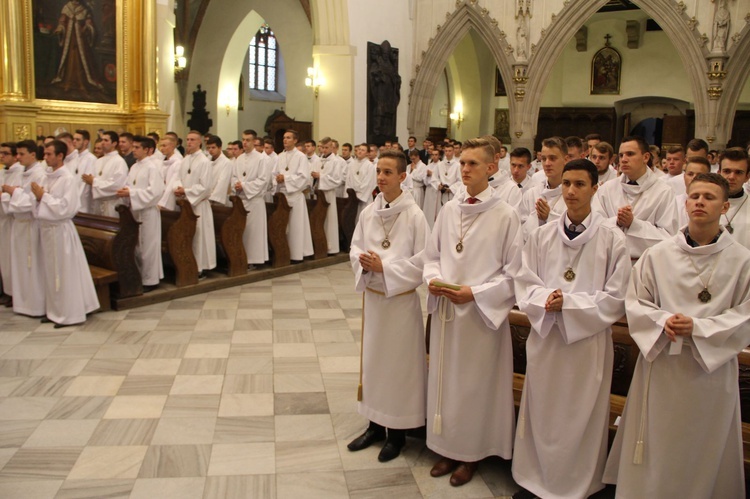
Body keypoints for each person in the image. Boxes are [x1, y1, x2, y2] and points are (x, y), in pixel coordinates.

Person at [603, 173, 750, 498]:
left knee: (701, 445)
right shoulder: (659, 254)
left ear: (725, 206)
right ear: (685, 203)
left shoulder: (742, 260)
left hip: (709, 373)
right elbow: (636, 302)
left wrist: (698, 328)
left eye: (709, 197)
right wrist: (662, 321)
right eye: (694, 196)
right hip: (662, 369)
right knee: (657, 441)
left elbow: (746, 316)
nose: (699, 202)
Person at [512, 159, 629, 499]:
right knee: (542, 410)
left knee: (581, 414)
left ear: (595, 188)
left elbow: (617, 296)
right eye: (566, 184)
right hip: (547, 339)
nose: (571, 191)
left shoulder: (612, 240)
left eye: (580, 184)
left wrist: (570, 304)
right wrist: (548, 298)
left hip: (586, 345)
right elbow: (524, 282)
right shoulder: (540, 235)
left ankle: (577, 485)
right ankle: (536, 480)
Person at [423, 138, 523, 487]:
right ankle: (447, 446)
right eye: (462, 163)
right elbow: (432, 255)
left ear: (492, 168)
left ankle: (471, 454)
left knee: (473, 387)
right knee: (447, 384)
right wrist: (434, 279)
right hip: (449, 314)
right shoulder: (450, 209)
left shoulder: (505, 215)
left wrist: (475, 294)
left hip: (480, 317)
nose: (465, 169)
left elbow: (514, 275)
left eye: (473, 164)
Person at [348, 149, 429, 463]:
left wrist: (387, 269)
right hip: (375, 301)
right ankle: (373, 425)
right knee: (374, 363)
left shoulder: (414, 215)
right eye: (378, 171)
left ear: (402, 176)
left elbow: (423, 262)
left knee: (398, 367)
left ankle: (396, 434)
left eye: (387, 172)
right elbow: (355, 247)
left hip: (400, 302)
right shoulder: (369, 212)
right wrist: (364, 264)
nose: (380, 177)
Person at [33, 140, 99, 327]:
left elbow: (67, 208)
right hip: (47, 230)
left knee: (63, 273)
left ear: (60, 156)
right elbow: (38, 203)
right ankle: (54, 310)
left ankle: (69, 314)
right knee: (50, 271)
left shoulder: (68, 179)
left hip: (60, 231)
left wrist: (42, 197)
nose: (45, 158)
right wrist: (38, 199)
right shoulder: (47, 177)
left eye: (49, 154)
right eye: (44, 154)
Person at [594, 136, 678, 260]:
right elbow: (594, 226)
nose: (624, 160)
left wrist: (633, 224)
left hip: (645, 264)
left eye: (630, 154)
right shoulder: (607, 189)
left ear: (646, 157)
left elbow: (669, 238)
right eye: (621, 155)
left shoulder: (663, 192)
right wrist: (616, 221)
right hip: (609, 262)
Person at [1, 140, 47, 318]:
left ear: (33, 154)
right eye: (17, 154)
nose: (18, 157)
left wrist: (13, 193)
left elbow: (32, 202)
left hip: (30, 224)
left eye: (21, 154)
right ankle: (21, 301)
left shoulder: (39, 174)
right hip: (17, 224)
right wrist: (13, 193)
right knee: (19, 264)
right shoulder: (23, 172)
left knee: (31, 265)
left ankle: (34, 304)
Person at [116, 136, 164, 290]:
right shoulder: (134, 167)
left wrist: (131, 193)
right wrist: (126, 192)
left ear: (148, 150)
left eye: (137, 147)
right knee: (137, 246)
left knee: (148, 246)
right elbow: (130, 185)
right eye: (134, 147)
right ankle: (139, 277)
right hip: (136, 211)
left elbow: (155, 192)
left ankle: (151, 280)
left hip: (148, 212)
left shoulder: (152, 167)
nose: (134, 150)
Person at [272, 129, 314, 261]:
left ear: (295, 140)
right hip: (282, 195)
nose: (285, 140)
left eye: (288, 138)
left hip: (294, 195)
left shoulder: (301, 156)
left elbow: (303, 177)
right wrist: (277, 179)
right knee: (283, 226)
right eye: (284, 137)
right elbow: (273, 174)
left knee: (295, 226)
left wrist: (285, 178)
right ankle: (283, 253)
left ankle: (296, 254)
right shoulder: (280, 156)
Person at [519, 137, 568, 241]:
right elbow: (520, 228)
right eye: (544, 159)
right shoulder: (532, 193)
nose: (547, 163)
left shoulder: (571, 194)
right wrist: (535, 218)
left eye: (553, 158)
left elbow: (577, 228)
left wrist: (549, 217)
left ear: (566, 160)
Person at [233, 130, 270, 269]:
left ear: (254, 142)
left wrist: (243, 185)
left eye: (248, 140)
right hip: (241, 200)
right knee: (243, 230)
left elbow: (263, 181)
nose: (244, 142)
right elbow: (234, 176)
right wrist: (235, 184)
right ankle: (242, 257)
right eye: (243, 139)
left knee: (253, 231)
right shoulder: (239, 158)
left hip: (254, 201)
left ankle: (254, 259)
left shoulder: (261, 159)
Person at [85, 130, 128, 217]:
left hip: (112, 204)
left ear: (114, 143)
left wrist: (94, 182)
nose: (102, 143)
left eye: (106, 140)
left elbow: (117, 185)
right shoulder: (98, 161)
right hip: (98, 203)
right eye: (102, 140)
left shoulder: (119, 161)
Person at [0, 142, 22, 306]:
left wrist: (5, 195)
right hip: (3, 221)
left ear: (15, 156)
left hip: (13, 221)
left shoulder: (20, 172)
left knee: (13, 258)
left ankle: (15, 293)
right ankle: (7, 291)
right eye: (0, 153)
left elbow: (18, 196)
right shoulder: (2, 172)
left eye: (5, 153)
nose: (1, 156)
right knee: (4, 259)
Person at [315, 137, 345, 255]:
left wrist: (320, 177)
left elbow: (337, 180)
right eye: (322, 147)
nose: (324, 150)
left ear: (332, 147)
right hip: (319, 193)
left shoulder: (336, 161)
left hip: (329, 194)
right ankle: (319, 244)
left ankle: (330, 246)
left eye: (326, 147)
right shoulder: (319, 160)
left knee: (329, 219)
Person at [718, 147, 750, 249]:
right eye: (727, 171)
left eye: (738, 172)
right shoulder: (706, 204)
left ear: (747, 177)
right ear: (719, 173)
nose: (731, 177)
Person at [675, 156, 711, 228]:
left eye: (700, 175)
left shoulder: (713, 204)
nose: (694, 178)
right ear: (684, 177)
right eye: (690, 174)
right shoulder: (673, 203)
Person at [345, 143, 377, 221]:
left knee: (363, 220)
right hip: (352, 199)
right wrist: (350, 194)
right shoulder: (352, 164)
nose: (359, 151)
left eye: (363, 150)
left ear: (367, 153)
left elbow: (369, 183)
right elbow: (348, 181)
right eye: (359, 149)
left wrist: (358, 196)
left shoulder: (370, 166)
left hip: (363, 199)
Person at [73, 129, 96, 213]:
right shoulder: (74, 157)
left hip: (83, 203)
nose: (74, 141)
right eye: (74, 139)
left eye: (78, 140)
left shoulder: (91, 159)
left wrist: (78, 202)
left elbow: (86, 183)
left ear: (86, 142)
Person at [207, 135, 233, 207]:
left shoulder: (226, 163)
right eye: (208, 148)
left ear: (220, 148)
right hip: (206, 199)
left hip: (218, 201)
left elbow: (222, 182)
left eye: (213, 147)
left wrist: (212, 198)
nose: (210, 150)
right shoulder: (207, 161)